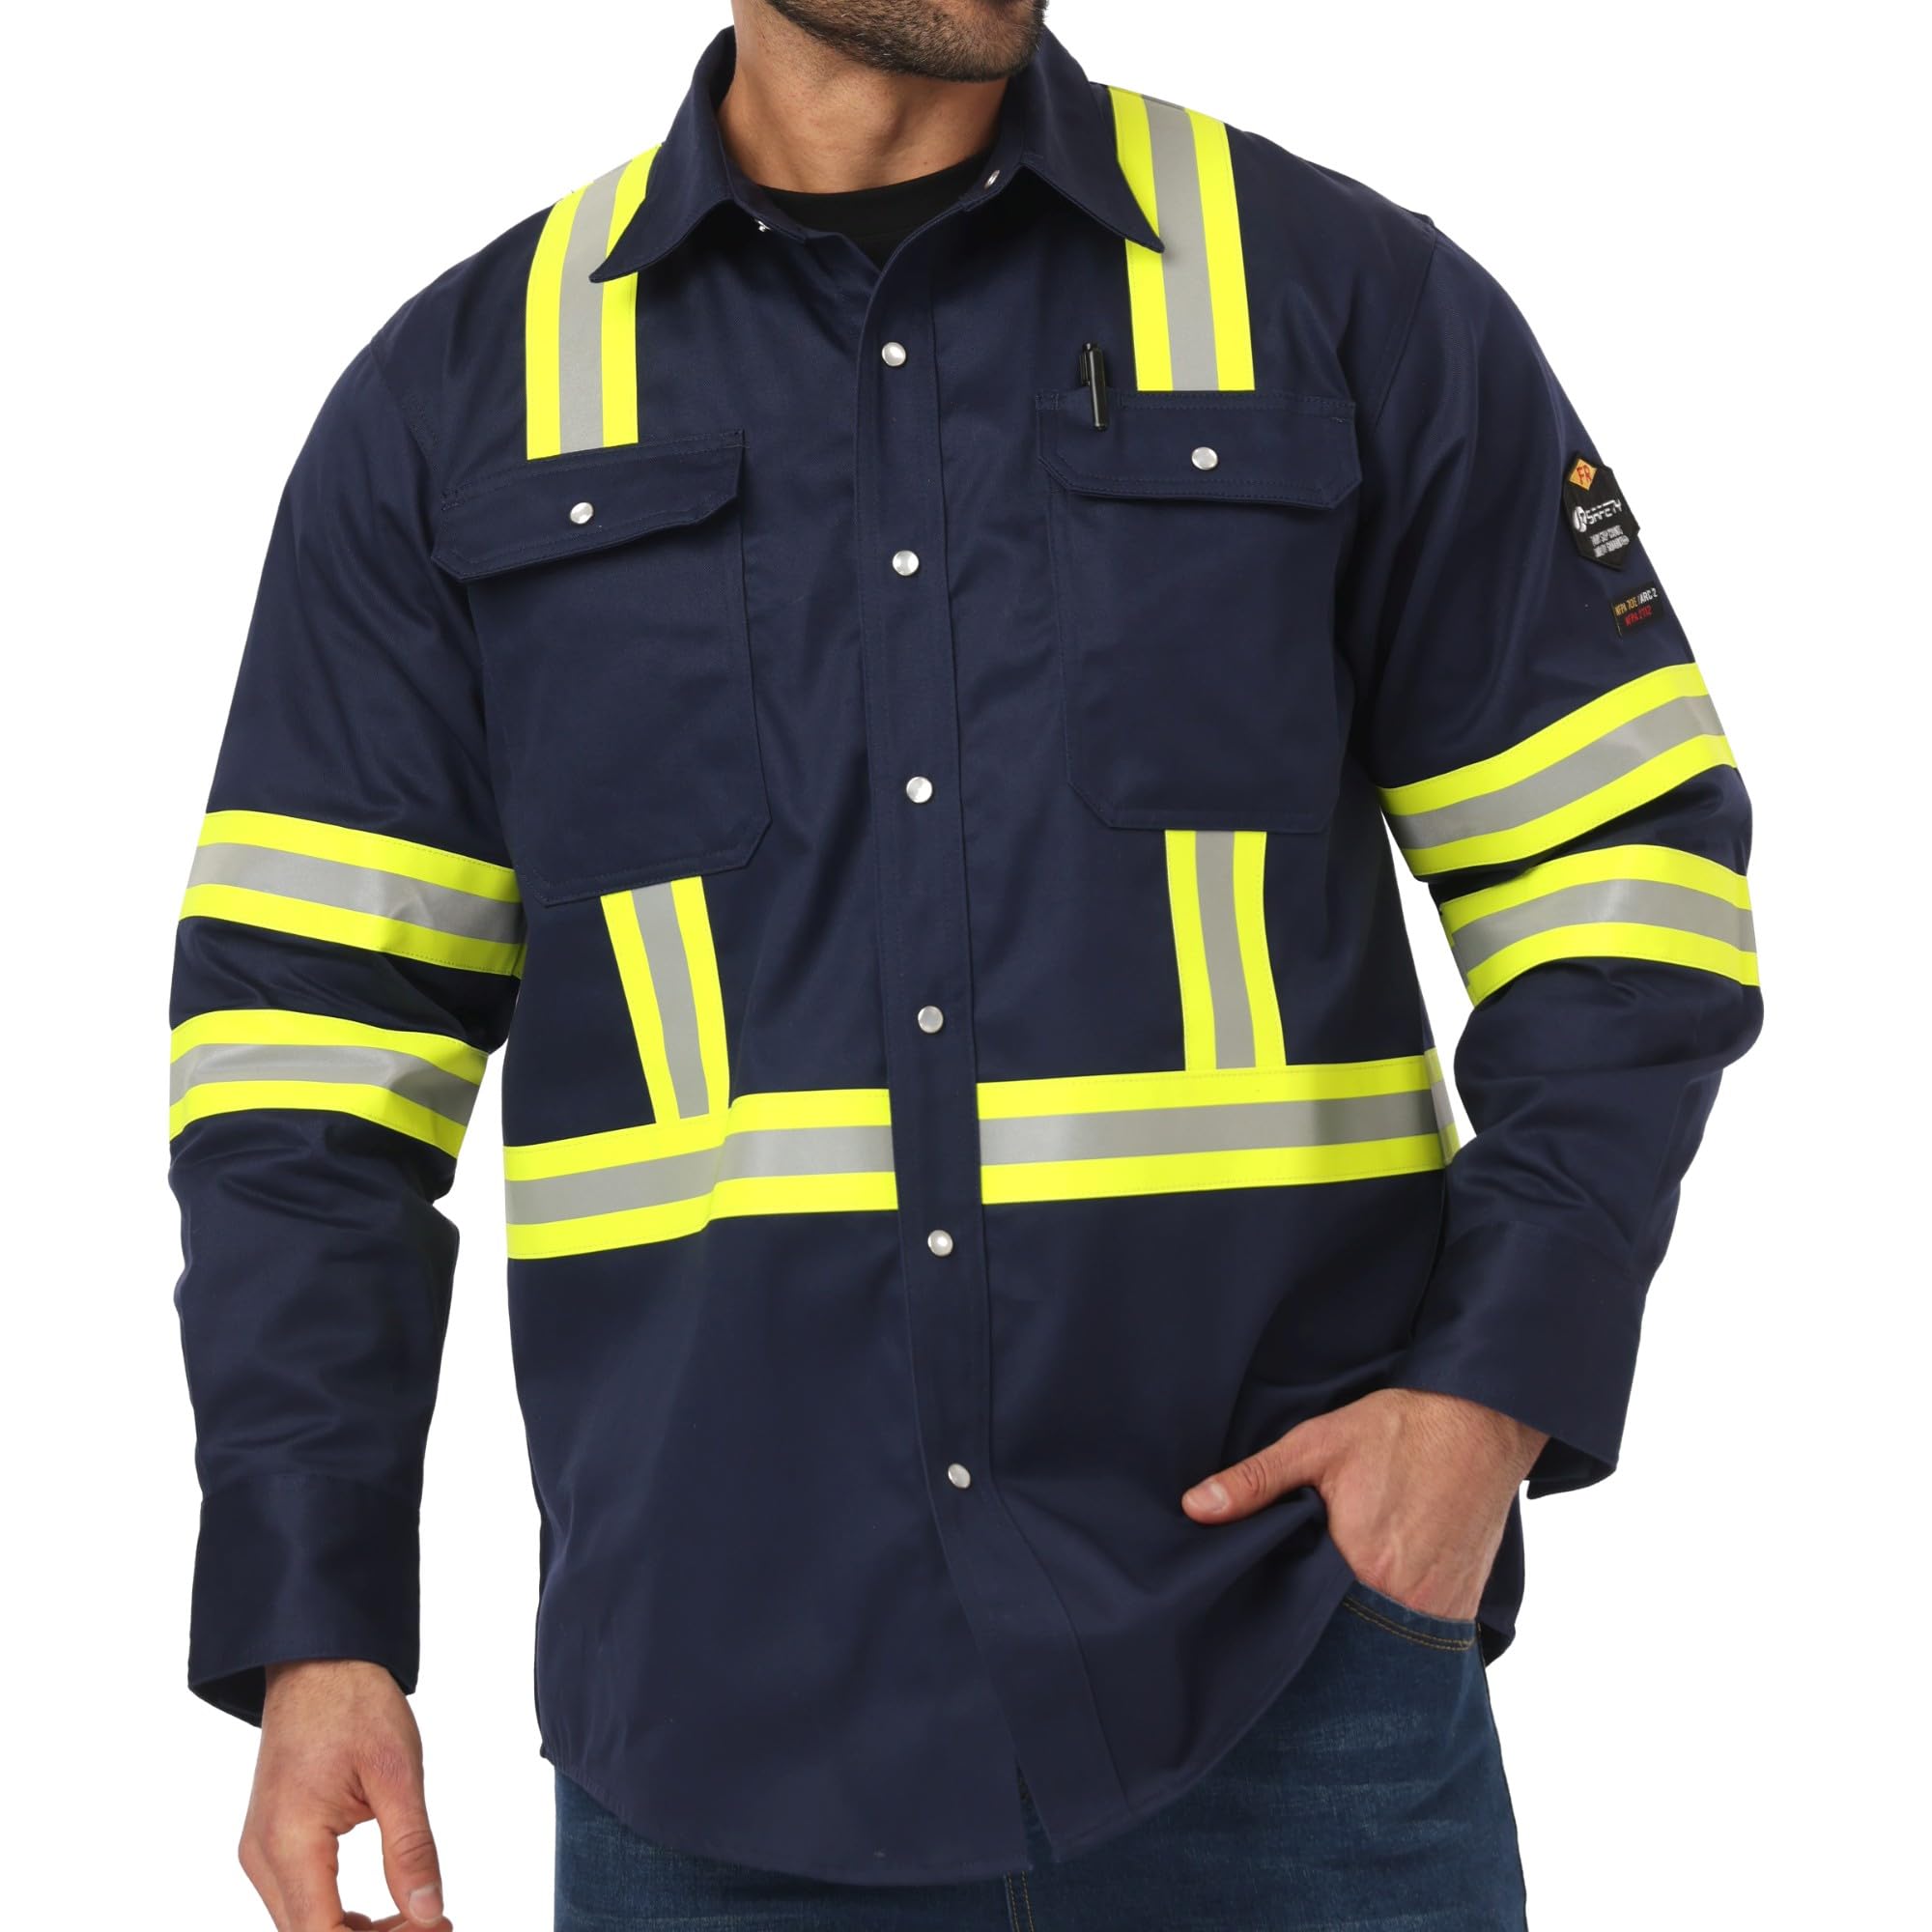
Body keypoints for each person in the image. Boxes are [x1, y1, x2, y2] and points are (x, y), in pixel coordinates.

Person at [167, 2, 1760, 1925]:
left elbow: (1620, 877)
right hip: (713, 1722)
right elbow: (303, 1068)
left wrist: (1491, 1400)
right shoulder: (461, 398)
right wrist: (314, 1624)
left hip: (1286, 1677)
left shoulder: (1341, 303)